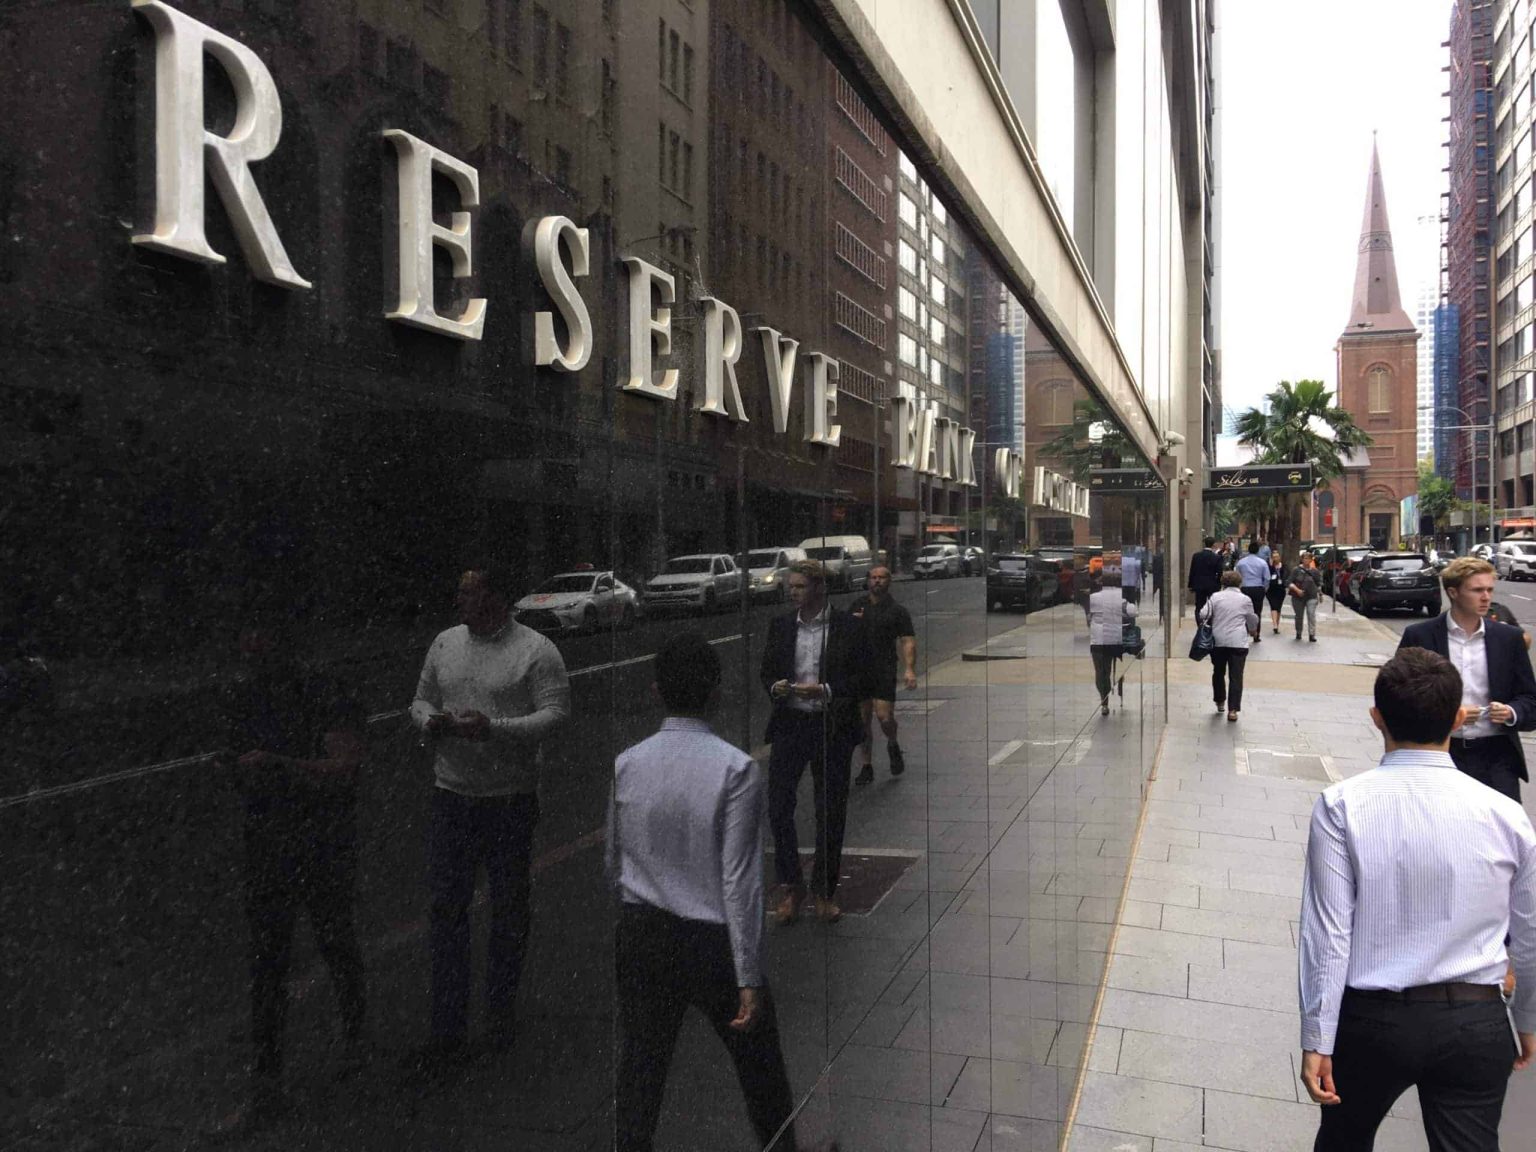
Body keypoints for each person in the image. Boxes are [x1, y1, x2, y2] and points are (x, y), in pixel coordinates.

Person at [1298, 648, 1536, 1149]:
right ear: (1457, 719)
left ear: (1376, 718)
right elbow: (1529, 933)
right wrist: (1527, 1019)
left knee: (1343, 1140)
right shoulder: (1506, 814)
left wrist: (1317, 1035)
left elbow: (1329, 933)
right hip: (1475, 1017)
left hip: (1372, 1020)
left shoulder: (1342, 806)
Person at [608, 632, 798, 1152]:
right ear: (716, 691)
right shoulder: (736, 769)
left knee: (641, 1066)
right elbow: (740, 882)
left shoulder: (627, 763)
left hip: (643, 933)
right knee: (759, 1066)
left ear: (656, 692)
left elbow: (614, 861)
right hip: (711, 941)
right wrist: (748, 974)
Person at [408, 567, 571, 1066]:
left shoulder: (536, 650)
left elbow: (554, 713)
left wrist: (494, 728)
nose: (460, 599)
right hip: (451, 795)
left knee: (508, 912)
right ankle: (447, 1027)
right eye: (459, 591)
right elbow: (421, 699)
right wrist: (429, 721)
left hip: (508, 799)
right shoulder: (445, 643)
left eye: (469, 591)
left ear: (496, 597)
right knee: (447, 912)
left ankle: (499, 1017)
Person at [216, 608, 368, 1131]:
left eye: (260, 638)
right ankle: (267, 1082)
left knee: (334, 939)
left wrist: (279, 766)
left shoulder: (324, 690)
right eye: (246, 639)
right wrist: (240, 771)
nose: (251, 649)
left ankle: (354, 1039)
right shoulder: (241, 697)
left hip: (321, 839)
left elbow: (343, 770)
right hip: (267, 841)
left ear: (283, 642)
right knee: (267, 963)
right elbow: (237, 765)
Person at [761, 560, 871, 925]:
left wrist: (826, 690)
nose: (792, 592)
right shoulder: (781, 626)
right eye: (791, 586)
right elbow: (767, 671)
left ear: (820, 588)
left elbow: (861, 678)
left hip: (830, 725)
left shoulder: (847, 627)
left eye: (800, 586)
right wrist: (775, 687)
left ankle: (824, 891)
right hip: (791, 724)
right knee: (778, 807)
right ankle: (792, 886)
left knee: (830, 810)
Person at [1397, 557, 1536, 803]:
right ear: (1453, 592)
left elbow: (1530, 699)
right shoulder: (1420, 636)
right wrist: (1448, 715)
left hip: (1497, 758)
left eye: (1489, 590)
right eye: (1477, 590)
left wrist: (1511, 712)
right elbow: (1399, 696)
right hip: (1440, 754)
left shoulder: (1509, 639)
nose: (1486, 597)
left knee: (1502, 825)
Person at [849, 566, 916, 786]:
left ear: (889, 581)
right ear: (868, 581)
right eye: (873, 577)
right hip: (859, 670)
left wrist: (909, 669)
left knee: (884, 717)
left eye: (882, 578)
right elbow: (844, 634)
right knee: (862, 721)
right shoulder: (857, 605)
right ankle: (866, 766)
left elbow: (907, 640)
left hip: (884, 669)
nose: (877, 581)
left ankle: (892, 741)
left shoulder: (897, 611)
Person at [1199, 571, 1258, 722]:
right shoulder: (1245, 599)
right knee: (1236, 675)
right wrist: (1252, 630)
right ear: (1240, 583)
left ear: (1223, 583)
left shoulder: (1215, 597)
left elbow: (1203, 614)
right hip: (1238, 641)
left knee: (1218, 672)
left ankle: (1220, 701)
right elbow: (1251, 618)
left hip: (1218, 640)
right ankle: (1233, 710)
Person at [1086, 573, 1135, 716]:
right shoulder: (1121, 599)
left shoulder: (1093, 598)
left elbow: (1089, 618)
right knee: (1110, 669)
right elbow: (1133, 612)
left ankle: (1104, 702)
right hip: (1114, 640)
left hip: (1097, 641)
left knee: (1100, 672)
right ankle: (1117, 683)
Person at [1234, 541, 1270, 645]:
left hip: (1245, 588)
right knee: (1257, 611)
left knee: (1244, 611)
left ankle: (1244, 631)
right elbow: (1267, 578)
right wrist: (1265, 588)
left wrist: (1239, 587)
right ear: (1258, 551)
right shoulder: (1262, 562)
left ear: (1248, 550)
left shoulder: (1241, 562)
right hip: (1258, 588)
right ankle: (1256, 634)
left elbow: (1237, 576)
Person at [1288, 552, 1321, 642]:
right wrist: (1297, 590)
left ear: (1311, 560)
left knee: (1311, 614)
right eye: (1304, 558)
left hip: (1312, 596)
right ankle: (1298, 632)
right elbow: (1289, 582)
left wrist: (1320, 593)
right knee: (1299, 616)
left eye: (1308, 558)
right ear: (1302, 559)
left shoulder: (1315, 571)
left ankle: (1312, 634)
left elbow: (1318, 583)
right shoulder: (1296, 570)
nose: (1306, 560)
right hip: (1298, 596)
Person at [1188, 535, 1224, 616]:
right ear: (1213, 545)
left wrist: (1191, 585)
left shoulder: (1196, 556)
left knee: (1199, 605)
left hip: (1199, 584)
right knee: (1212, 604)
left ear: (1204, 544)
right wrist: (1219, 584)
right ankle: (1210, 621)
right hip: (1212, 585)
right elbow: (1219, 572)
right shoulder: (1217, 557)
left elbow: (1192, 571)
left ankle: (1200, 621)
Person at [1265, 550, 1288, 636]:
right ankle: (1275, 625)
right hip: (1271, 590)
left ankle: (1277, 626)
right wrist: (1271, 566)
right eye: (1274, 557)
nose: (1275, 558)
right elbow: (1267, 576)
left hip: (1280, 590)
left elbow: (1286, 576)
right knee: (1273, 606)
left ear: (1279, 557)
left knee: (1278, 608)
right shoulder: (1269, 567)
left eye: (1277, 556)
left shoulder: (1284, 566)